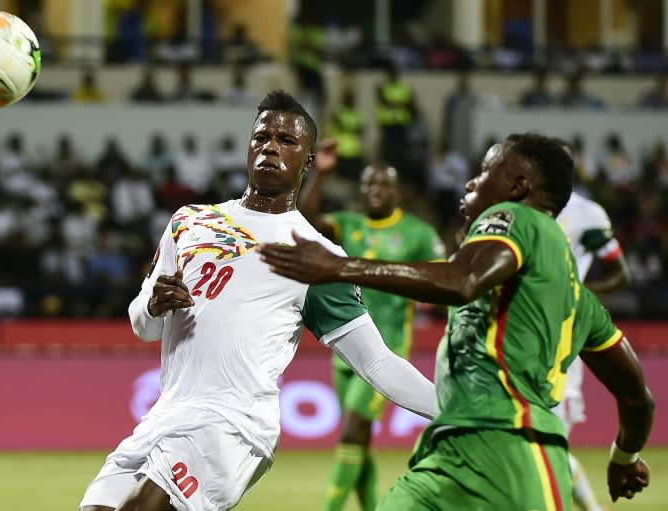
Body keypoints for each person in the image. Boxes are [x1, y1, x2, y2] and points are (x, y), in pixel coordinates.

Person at [78, 89, 436, 511]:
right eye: (262, 136)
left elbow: (376, 362)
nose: (270, 146)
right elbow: (143, 326)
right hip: (164, 417)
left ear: (307, 161)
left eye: (287, 141)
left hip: (233, 425)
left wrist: (456, 411)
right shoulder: (190, 221)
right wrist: (153, 305)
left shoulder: (315, 256)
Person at [259, 133, 654, 509]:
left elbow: (461, 281)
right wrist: (625, 457)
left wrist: (341, 268)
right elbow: (636, 397)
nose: (471, 181)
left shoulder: (514, 216)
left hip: (512, 449)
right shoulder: (579, 300)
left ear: (516, 186)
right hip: (445, 450)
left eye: (485, 171)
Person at [299, 140, 444, 511]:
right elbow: (306, 223)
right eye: (368, 185)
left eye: (382, 185)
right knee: (357, 442)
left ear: (396, 192)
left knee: (353, 430)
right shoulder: (348, 225)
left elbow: (444, 275)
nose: (374, 191)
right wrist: (321, 174)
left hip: (388, 349)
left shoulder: (417, 232)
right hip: (344, 350)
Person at [555, 178, 632, 511]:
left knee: (550, 443)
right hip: (518, 337)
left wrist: (578, 297)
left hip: (565, 340)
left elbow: (621, 273)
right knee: (532, 443)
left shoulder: (586, 213)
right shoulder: (515, 211)